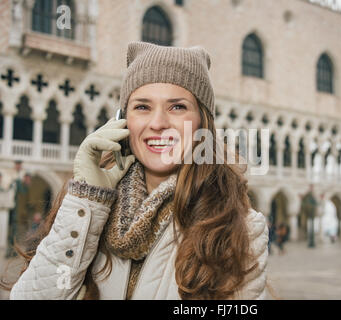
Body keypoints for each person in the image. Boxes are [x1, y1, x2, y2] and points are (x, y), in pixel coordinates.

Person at [6, 42, 268, 300]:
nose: (158, 123)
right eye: (142, 107)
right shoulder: (85, 209)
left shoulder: (238, 227)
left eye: (177, 107)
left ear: (203, 122)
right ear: (122, 120)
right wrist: (87, 199)